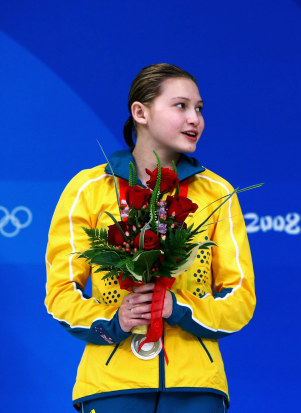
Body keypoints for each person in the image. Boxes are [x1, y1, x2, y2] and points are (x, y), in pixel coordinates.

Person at [45, 63, 256, 412]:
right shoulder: (88, 190)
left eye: (199, 109)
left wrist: (180, 309)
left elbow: (241, 299)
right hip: (110, 385)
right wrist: (115, 321)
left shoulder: (218, 193)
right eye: (181, 106)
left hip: (196, 387)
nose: (195, 119)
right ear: (140, 112)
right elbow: (60, 294)